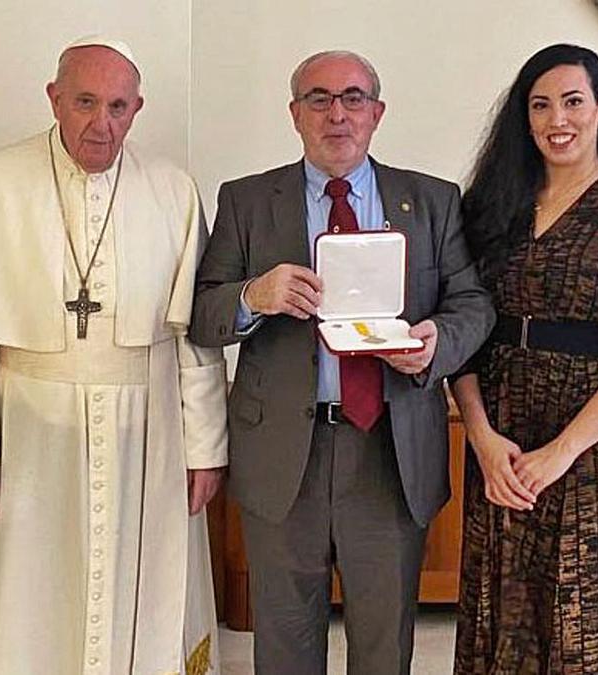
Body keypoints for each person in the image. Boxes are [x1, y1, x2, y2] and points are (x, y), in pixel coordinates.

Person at [0, 35, 228, 675]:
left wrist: (205, 449)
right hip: (31, 432)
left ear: (138, 109)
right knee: (30, 593)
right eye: (84, 102)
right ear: (54, 99)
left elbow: (196, 342)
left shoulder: (172, 191)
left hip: (150, 433)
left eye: (117, 106)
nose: (100, 124)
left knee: (151, 587)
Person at [190, 50, 493, 674]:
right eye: (319, 99)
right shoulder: (247, 201)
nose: (337, 114)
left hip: (388, 450)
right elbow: (202, 314)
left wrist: (436, 342)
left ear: (376, 113)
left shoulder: (431, 200)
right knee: (284, 641)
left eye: (353, 98)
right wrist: (253, 295)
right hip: (282, 455)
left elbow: (473, 304)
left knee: (384, 644)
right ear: (295, 114)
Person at [451, 43, 598, 674]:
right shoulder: (490, 207)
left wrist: (561, 452)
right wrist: (480, 436)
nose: (559, 119)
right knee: (503, 610)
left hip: (596, 448)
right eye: (542, 105)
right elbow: (461, 324)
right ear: (524, 120)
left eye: (574, 101)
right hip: (502, 437)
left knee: (591, 619)